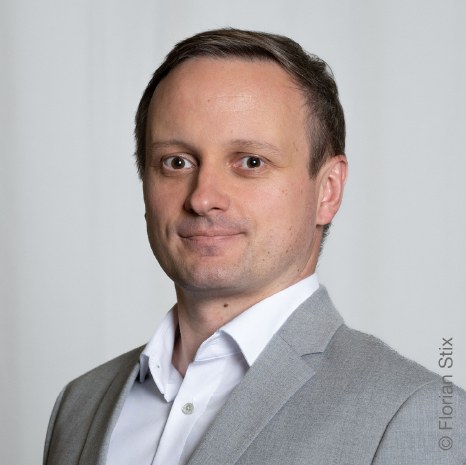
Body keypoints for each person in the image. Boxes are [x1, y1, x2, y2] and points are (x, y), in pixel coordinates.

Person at [43, 28, 466, 465]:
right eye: (177, 162)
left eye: (250, 162)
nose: (203, 197)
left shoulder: (416, 415)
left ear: (328, 190)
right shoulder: (80, 405)